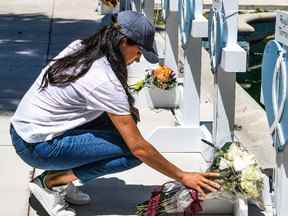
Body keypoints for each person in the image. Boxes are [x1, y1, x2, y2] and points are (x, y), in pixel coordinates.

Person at [9, 11, 220, 216]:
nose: (138, 60)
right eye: (139, 52)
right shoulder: (104, 79)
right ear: (123, 42)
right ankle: (51, 183)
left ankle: (62, 177)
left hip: (25, 130)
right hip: (38, 147)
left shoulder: (82, 46)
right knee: (131, 153)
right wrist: (183, 176)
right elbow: (139, 148)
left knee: (125, 124)